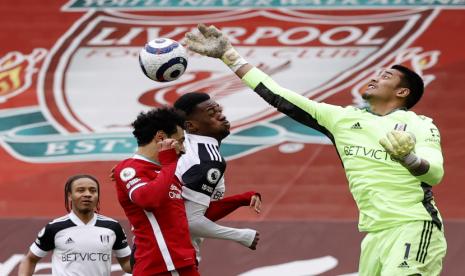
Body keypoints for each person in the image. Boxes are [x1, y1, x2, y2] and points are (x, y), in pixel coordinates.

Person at [183, 24, 447, 275]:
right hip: (375, 234)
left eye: (386, 76)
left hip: (413, 224)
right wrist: (230, 57)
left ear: (402, 91)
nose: (376, 78)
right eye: (377, 74)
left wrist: (408, 158)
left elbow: (434, 173)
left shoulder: (419, 124)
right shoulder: (342, 119)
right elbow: (279, 95)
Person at [173, 92, 261, 262]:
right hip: (173, 256)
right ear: (190, 126)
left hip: (157, 250)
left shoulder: (182, 144)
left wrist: (240, 199)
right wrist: (240, 235)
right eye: (211, 114)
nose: (221, 116)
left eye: (218, 110)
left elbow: (197, 210)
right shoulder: (208, 160)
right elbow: (188, 221)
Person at [112, 107, 199, 276]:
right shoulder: (130, 168)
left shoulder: (167, 172)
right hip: (161, 266)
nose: (183, 149)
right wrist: (168, 163)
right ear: (161, 137)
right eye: (180, 141)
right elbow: (148, 200)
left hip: (181, 263)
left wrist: (242, 199)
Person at [18, 174, 131, 276]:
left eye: (93, 191)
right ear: (69, 196)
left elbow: (127, 264)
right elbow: (30, 260)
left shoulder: (112, 227)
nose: (87, 194)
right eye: (81, 190)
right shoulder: (55, 228)